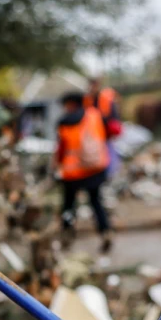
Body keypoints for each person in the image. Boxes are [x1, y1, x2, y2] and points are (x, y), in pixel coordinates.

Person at [55, 91, 112, 253]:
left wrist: (56, 167)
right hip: (95, 168)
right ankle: (105, 231)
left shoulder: (64, 121)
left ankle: (67, 235)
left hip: (72, 172)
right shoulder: (95, 115)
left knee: (68, 205)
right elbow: (107, 135)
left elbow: (61, 148)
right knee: (96, 201)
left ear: (70, 103)